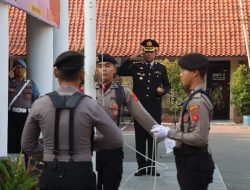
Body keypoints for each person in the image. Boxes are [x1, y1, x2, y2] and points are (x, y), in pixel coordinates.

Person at [21, 51, 124, 190]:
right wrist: (88, 146)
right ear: (82, 74)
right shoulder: (90, 105)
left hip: (51, 171)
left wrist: (49, 150)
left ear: (56, 73)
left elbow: (27, 145)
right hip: (81, 174)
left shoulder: (40, 104)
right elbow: (116, 139)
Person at [95, 53, 164, 190]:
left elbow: (142, 115)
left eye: (108, 66)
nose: (104, 69)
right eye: (100, 66)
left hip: (112, 150)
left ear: (115, 69)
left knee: (111, 185)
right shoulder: (86, 92)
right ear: (96, 69)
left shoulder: (122, 92)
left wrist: (162, 133)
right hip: (89, 150)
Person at [151, 53, 215, 190]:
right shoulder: (194, 97)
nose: (181, 74)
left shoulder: (198, 101)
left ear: (195, 72)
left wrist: (170, 133)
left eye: (184, 70)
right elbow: (190, 130)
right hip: (189, 161)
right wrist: (175, 139)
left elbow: (200, 138)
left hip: (194, 163)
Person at [117, 39, 171, 176]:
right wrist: (130, 59)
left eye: (151, 52)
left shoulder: (161, 68)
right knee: (140, 139)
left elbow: (167, 85)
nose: (148, 55)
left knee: (153, 139)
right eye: (146, 52)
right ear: (143, 52)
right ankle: (141, 167)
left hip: (154, 109)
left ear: (155, 53)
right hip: (139, 109)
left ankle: (152, 168)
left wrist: (163, 91)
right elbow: (121, 71)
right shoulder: (136, 66)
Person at [8, 59, 39, 154]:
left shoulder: (31, 84)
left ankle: (26, 161)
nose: (19, 70)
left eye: (22, 68)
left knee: (25, 139)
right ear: (13, 69)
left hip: (26, 115)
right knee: (12, 139)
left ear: (25, 69)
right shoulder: (8, 83)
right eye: (17, 67)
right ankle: (13, 162)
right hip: (11, 115)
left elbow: (36, 99)